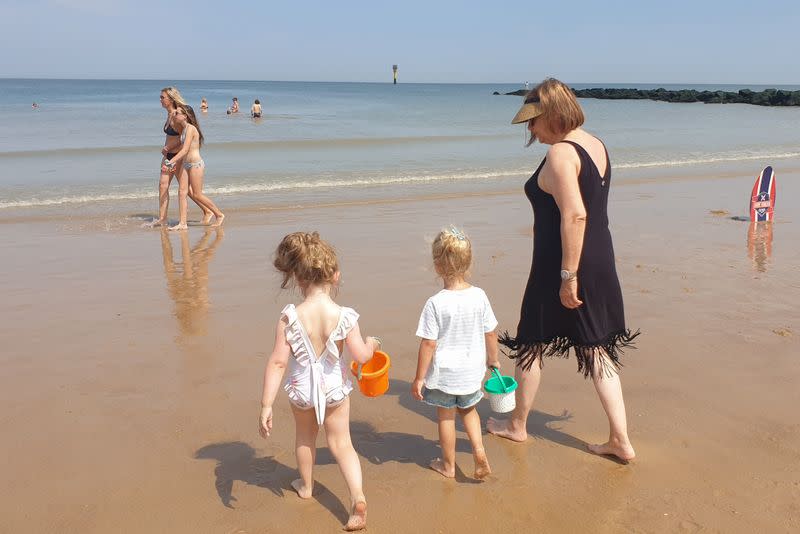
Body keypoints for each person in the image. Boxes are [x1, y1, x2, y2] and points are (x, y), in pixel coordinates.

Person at [488, 78, 639, 463]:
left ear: (551, 115)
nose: (531, 131)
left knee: (532, 340)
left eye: (533, 122)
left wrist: (567, 276)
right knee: (596, 347)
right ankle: (619, 439)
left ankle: (517, 426)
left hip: (565, 264)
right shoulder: (595, 144)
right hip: (599, 256)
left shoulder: (560, 154)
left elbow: (575, 214)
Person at [258, 232, 380, 531]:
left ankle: (306, 485)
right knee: (342, 444)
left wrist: (266, 404)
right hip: (335, 389)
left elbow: (277, 361)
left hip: (302, 392)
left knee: (305, 439)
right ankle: (358, 498)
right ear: (335, 276)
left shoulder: (289, 317)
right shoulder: (345, 316)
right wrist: (372, 343)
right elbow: (362, 357)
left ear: (299, 279)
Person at [412, 227, 499, 479]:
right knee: (470, 410)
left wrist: (419, 378)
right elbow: (491, 332)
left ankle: (448, 465)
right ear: (469, 261)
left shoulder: (436, 303)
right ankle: (479, 453)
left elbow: (428, 344)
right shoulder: (479, 296)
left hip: (445, 375)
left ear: (437, 266)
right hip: (472, 371)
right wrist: (493, 360)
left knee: (446, 418)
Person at [154, 87, 211, 226]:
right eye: (160, 97)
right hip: (169, 155)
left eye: (163, 97)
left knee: (188, 191)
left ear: (171, 99)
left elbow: (183, 138)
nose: (160, 100)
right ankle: (162, 219)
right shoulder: (169, 114)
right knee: (163, 186)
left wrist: (169, 148)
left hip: (177, 156)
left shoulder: (176, 114)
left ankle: (208, 211)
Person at [165, 105, 224, 230]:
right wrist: (168, 148)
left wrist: (171, 161)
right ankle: (182, 223)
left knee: (197, 194)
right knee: (182, 193)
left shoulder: (191, 129)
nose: (175, 115)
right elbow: (181, 143)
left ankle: (219, 214)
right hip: (186, 164)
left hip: (195, 165)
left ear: (185, 116)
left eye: (177, 113)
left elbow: (185, 149)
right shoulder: (184, 129)